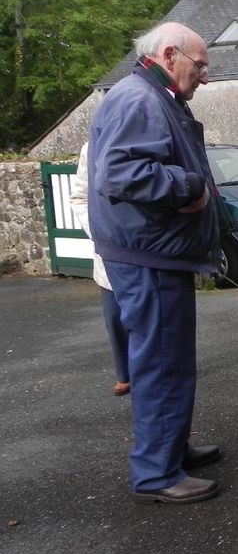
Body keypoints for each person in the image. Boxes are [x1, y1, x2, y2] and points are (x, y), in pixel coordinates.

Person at [87, 21, 222, 504]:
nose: (204, 76)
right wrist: (190, 188)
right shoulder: (141, 99)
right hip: (150, 255)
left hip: (152, 251)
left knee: (167, 359)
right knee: (162, 363)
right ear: (170, 55)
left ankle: (171, 450)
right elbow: (122, 173)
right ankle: (158, 473)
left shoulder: (149, 95)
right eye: (200, 64)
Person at [69, 141, 130, 397]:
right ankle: (125, 374)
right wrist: (98, 230)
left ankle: (153, 373)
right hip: (107, 248)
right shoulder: (91, 147)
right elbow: (79, 196)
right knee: (115, 315)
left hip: (146, 248)